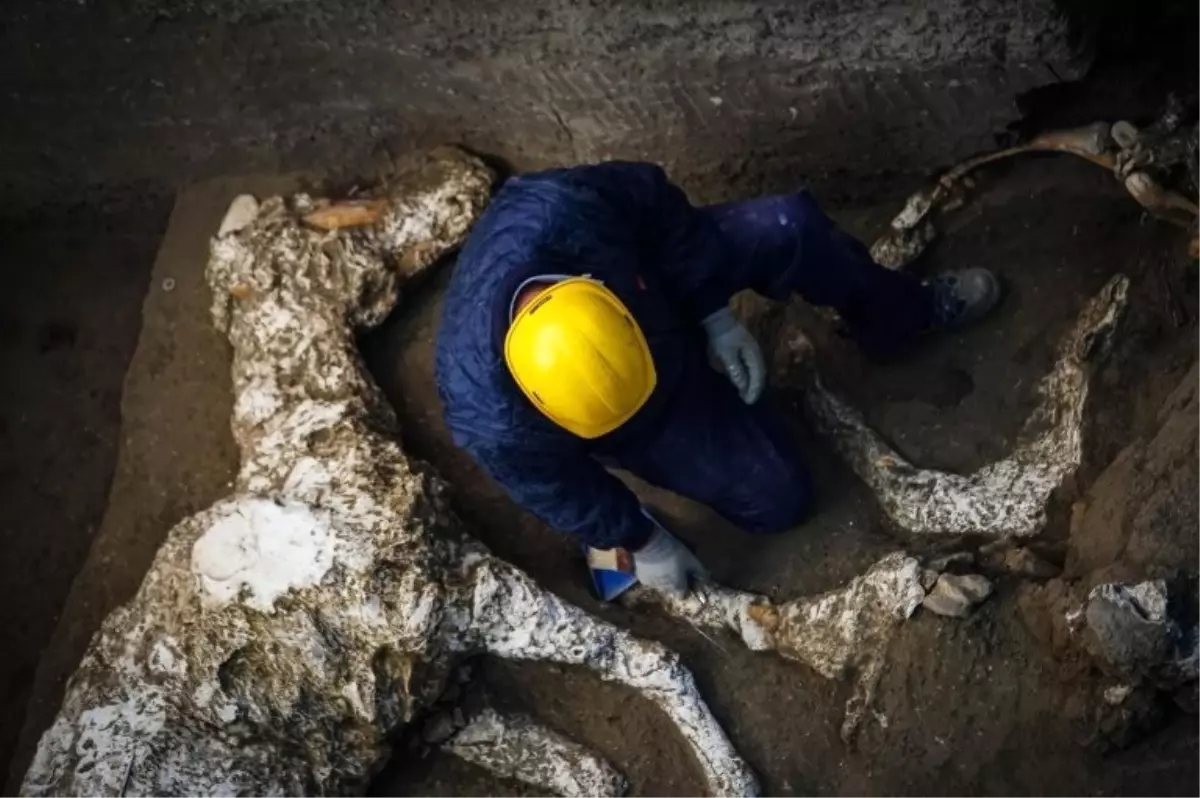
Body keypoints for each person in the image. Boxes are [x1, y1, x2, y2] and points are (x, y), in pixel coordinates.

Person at [435, 162, 999, 597]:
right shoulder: (491, 417)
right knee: (778, 499)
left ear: (598, 288)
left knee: (788, 226)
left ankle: (899, 316)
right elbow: (553, 486)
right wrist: (640, 540)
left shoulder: (565, 208)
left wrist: (713, 312)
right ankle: (701, 423)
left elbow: (656, 205)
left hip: (656, 284)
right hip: (648, 416)